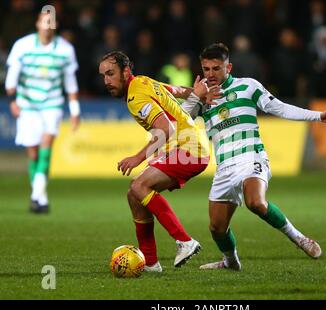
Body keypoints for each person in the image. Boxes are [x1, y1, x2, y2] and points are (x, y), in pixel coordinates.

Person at [182, 43, 326, 270]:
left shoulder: (248, 86)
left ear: (229, 67)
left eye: (216, 68)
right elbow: (178, 122)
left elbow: (280, 108)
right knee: (216, 227)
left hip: (251, 158)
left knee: (255, 202)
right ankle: (230, 262)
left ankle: (299, 238)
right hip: (224, 167)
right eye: (206, 69)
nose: (211, 74)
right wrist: (196, 98)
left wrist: (317, 116)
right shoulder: (203, 96)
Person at [98, 51, 211, 272]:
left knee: (139, 185)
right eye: (103, 76)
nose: (106, 81)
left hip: (187, 148)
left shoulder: (135, 96)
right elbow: (177, 91)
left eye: (111, 74)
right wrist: (197, 94)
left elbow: (165, 129)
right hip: (187, 145)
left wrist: (138, 158)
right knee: (134, 196)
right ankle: (150, 263)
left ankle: (184, 241)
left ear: (126, 71)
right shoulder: (143, 82)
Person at [5, 12, 81, 214]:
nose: (47, 26)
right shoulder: (23, 46)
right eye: (44, 21)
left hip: (52, 104)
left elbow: (70, 82)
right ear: (38, 23)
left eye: (51, 22)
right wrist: (12, 100)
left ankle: (37, 196)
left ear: (55, 25)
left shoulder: (66, 50)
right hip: (27, 105)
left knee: (46, 146)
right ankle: (40, 196)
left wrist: (75, 111)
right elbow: (12, 75)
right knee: (33, 153)